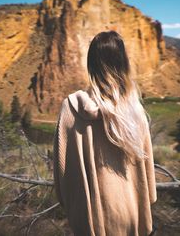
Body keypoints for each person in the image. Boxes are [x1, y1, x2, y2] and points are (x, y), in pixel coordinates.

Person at [53, 31, 157, 236]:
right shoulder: (134, 110)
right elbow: (148, 175)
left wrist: (70, 204)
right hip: (130, 212)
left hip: (89, 217)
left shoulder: (71, 107)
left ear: (91, 65)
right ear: (123, 63)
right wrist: (146, 200)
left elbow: (61, 169)